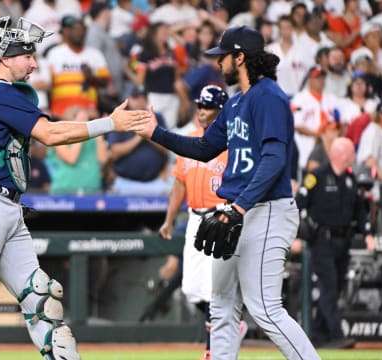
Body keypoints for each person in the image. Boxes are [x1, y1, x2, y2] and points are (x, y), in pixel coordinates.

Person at [0, 16, 149, 360]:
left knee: (40, 296)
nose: (33, 62)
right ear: (5, 57)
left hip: (1, 204)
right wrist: (110, 123)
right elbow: (50, 134)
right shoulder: (0, 92)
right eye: (26, 55)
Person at [136, 26, 320, 360]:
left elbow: (276, 159)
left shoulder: (269, 97)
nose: (217, 63)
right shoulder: (235, 104)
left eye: (222, 57)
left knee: (265, 308)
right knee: (220, 307)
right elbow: (205, 147)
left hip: (265, 209)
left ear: (240, 57)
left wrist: (239, 208)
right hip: (235, 209)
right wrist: (156, 133)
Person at [158, 85, 230, 360]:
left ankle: (213, 347)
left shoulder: (230, 144)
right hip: (194, 219)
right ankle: (229, 324)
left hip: (220, 216)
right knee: (191, 289)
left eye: (207, 107)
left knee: (213, 289)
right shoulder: (188, 141)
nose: (201, 111)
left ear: (220, 111)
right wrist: (168, 219)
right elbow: (179, 185)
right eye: (200, 106)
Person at [295, 137, 374, 349]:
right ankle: (338, 335)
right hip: (321, 241)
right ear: (341, 155)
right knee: (329, 286)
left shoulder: (350, 179)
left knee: (336, 287)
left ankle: (317, 334)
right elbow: (298, 204)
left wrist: (367, 233)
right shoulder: (316, 177)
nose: (354, 156)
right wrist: (296, 235)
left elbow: (360, 209)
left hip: (343, 241)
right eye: (351, 152)